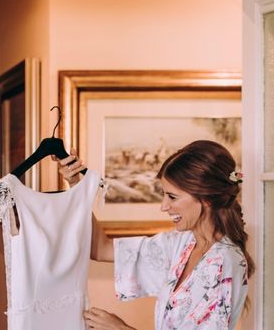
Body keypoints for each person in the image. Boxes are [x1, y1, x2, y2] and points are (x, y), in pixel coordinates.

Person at [57, 140, 255, 330]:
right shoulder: (181, 244)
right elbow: (101, 248)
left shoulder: (225, 261)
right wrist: (77, 185)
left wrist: (120, 328)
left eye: (172, 197)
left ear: (206, 199)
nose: (164, 206)